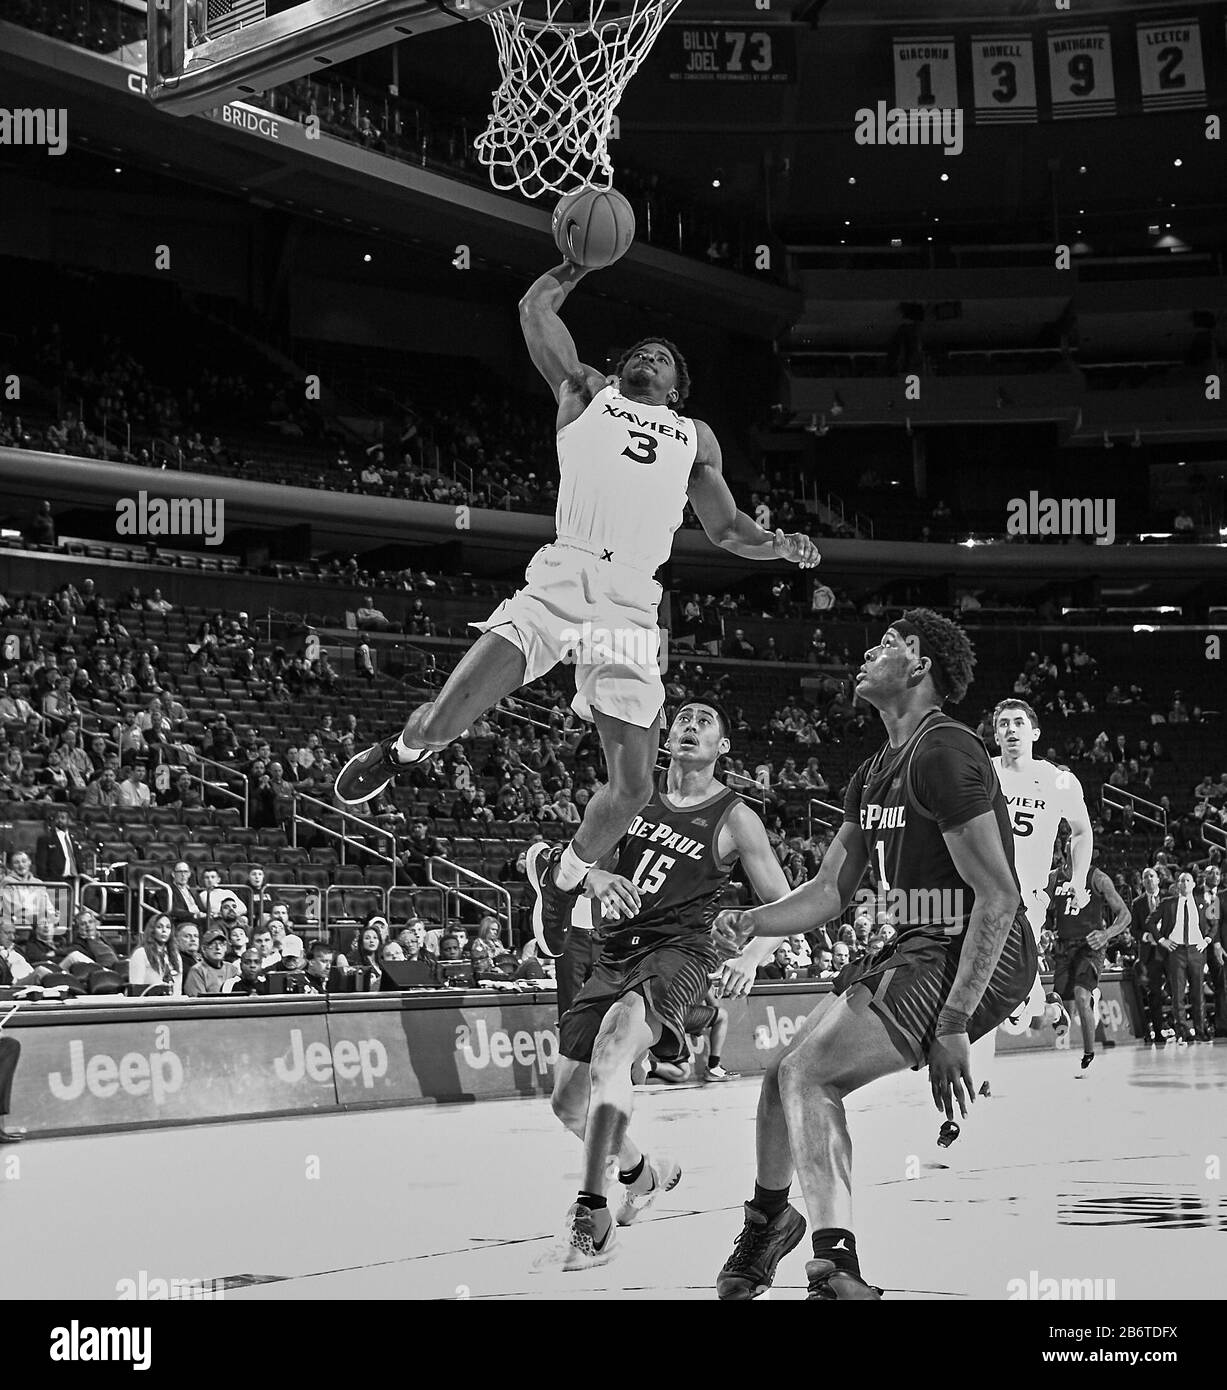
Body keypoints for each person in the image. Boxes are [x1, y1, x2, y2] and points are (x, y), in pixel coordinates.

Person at [333, 262, 819, 976]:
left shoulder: (695, 438)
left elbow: (724, 528)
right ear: (620, 369)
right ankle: (403, 752)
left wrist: (776, 544)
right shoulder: (587, 391)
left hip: (630, 600)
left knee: (632, 790)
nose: (649, 358)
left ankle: (562, 879)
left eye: (663, 357)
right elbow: (533, 310)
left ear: (678, 388)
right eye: (639, 353)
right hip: (564, 573)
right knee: (442, 722)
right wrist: (573, 263)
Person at [710, 609, 1036, 1300]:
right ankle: (769, 1220)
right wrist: (750, 918)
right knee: (781, 1079)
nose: (869, 650)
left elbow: (999, 898)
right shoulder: (873, 769)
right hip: (914, 940)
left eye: (888, 644)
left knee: (807, 1075)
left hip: (975, 945)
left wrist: (952, 1022)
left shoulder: (943, 751)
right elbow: (831, 889)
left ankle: (835, 1266)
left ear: (919, 667)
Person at [537, 700, 790, 1271]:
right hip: (614, 949)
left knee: (614, 1049)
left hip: (679, 952)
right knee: (567, 1102)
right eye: (683, 717)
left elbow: (786, 903)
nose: (690, 724)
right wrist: (594, 875)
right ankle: (641, 1174)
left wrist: (753, 955)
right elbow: (567, 861)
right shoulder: (631, 794)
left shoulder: (734, 816)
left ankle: (591, 1215)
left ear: (723, 746)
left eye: (706, 720)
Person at [1046, 849, 1131, 1071]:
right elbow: (1039, 910)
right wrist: (1043, 931)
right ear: (1065, 849)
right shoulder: (1053, 877)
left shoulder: (1097, 877)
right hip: (1064, 946)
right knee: (1063, 1012)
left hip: (1091, 946)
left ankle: (1088, 1054)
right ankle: (1084, 1010)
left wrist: (1107, 934)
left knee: (1081, 996)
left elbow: (1125, 914)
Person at [1149, 872, 1211, 1043]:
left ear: (1193, 884)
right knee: (1178, 993)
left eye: (1188, 880)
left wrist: (1207, 940)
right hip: (1176, 951)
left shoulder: (1202, 903)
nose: (1184, 883)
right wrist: (1162, 940)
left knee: (1198, 992)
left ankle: (1200, 1030)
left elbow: (1214, 923)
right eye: (1181, 880)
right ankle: (1182, 1030)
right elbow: (1150, 922)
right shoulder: (1168, 903)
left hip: (1196, 950)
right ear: (1177, 884)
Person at [128, 914, 181, 993]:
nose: (164, 930)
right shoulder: (140, 954)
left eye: (168, 927)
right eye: (159, 927)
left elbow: (178, 990)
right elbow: (136, 989)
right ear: (152, 930)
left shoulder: (175, 956)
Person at [184, 926, 240, 996]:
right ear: (204, 949)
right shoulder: (197, 971)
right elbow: (198, 1002)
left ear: (225, 948)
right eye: (212, 944)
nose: (218, 947)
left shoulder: (232, 969)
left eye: (221, 944)